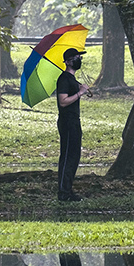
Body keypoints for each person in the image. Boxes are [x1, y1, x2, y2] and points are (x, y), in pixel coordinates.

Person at [56, 47, 90, 202]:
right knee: (68, 156)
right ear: (68, 61)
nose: (79, 60)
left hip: (75, 121)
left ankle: (68, 190)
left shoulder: (71, 80)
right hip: (67, 122)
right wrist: (80, 93)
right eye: (76, 57)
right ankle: (63, 193)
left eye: (79, 57)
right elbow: (63, 102)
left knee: (74, 156)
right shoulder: (63, 79)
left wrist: (79, 89)